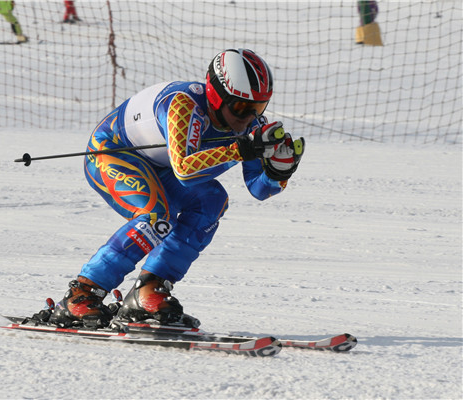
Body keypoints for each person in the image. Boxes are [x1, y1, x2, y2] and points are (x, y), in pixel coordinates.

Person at [38, 49, 305, 329]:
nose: (249, 118)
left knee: (212, 202)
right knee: (155, 216)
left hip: (160, 165)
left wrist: (278, 171)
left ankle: (148, 290)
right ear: (216, 96)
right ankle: (81, 294)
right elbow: (186, 171)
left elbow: (258, 189)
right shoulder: (183, 105)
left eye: (258, 108)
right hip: (113, 153)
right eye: (240, 108)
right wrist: (240, 149)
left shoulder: (250, 124)